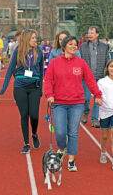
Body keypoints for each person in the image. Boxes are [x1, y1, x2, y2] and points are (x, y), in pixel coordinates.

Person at [44, 35, 102, 172]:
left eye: (75, 45)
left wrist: (98, 94)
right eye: (70, 44)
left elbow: (90, 80)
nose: (73, 47)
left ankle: (71, 160)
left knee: (73, 132)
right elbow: (48, 80)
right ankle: (62, 148)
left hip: (77, 103)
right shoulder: (54, 63)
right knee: (60, 132)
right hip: (59, 103)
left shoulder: (81, 63)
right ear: (64, 47)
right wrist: (49, 95)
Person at [0, 29, 43, 153]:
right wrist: (4, 87)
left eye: (36, 38)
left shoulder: (39, 52)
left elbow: (41, 72)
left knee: (34, 115)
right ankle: (26, 143)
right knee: (24, 114)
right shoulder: (18, 52)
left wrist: (40, 88)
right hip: (20, 87)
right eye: (33, 38)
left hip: (34, 86)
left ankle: (34, 133)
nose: (35, 40)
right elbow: (10, 69)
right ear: (27, 39)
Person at [79, 26, 109, 127]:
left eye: (92, 33)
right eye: (89, 33)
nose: (89, 35)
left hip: (100, 76)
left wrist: (107, 75)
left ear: (97, 34)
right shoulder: (83, 46)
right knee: (86, 98)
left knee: (98, 98)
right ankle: (86, 111)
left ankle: (95, 119)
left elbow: (107, 61)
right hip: (86, 77)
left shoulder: (104, 47)